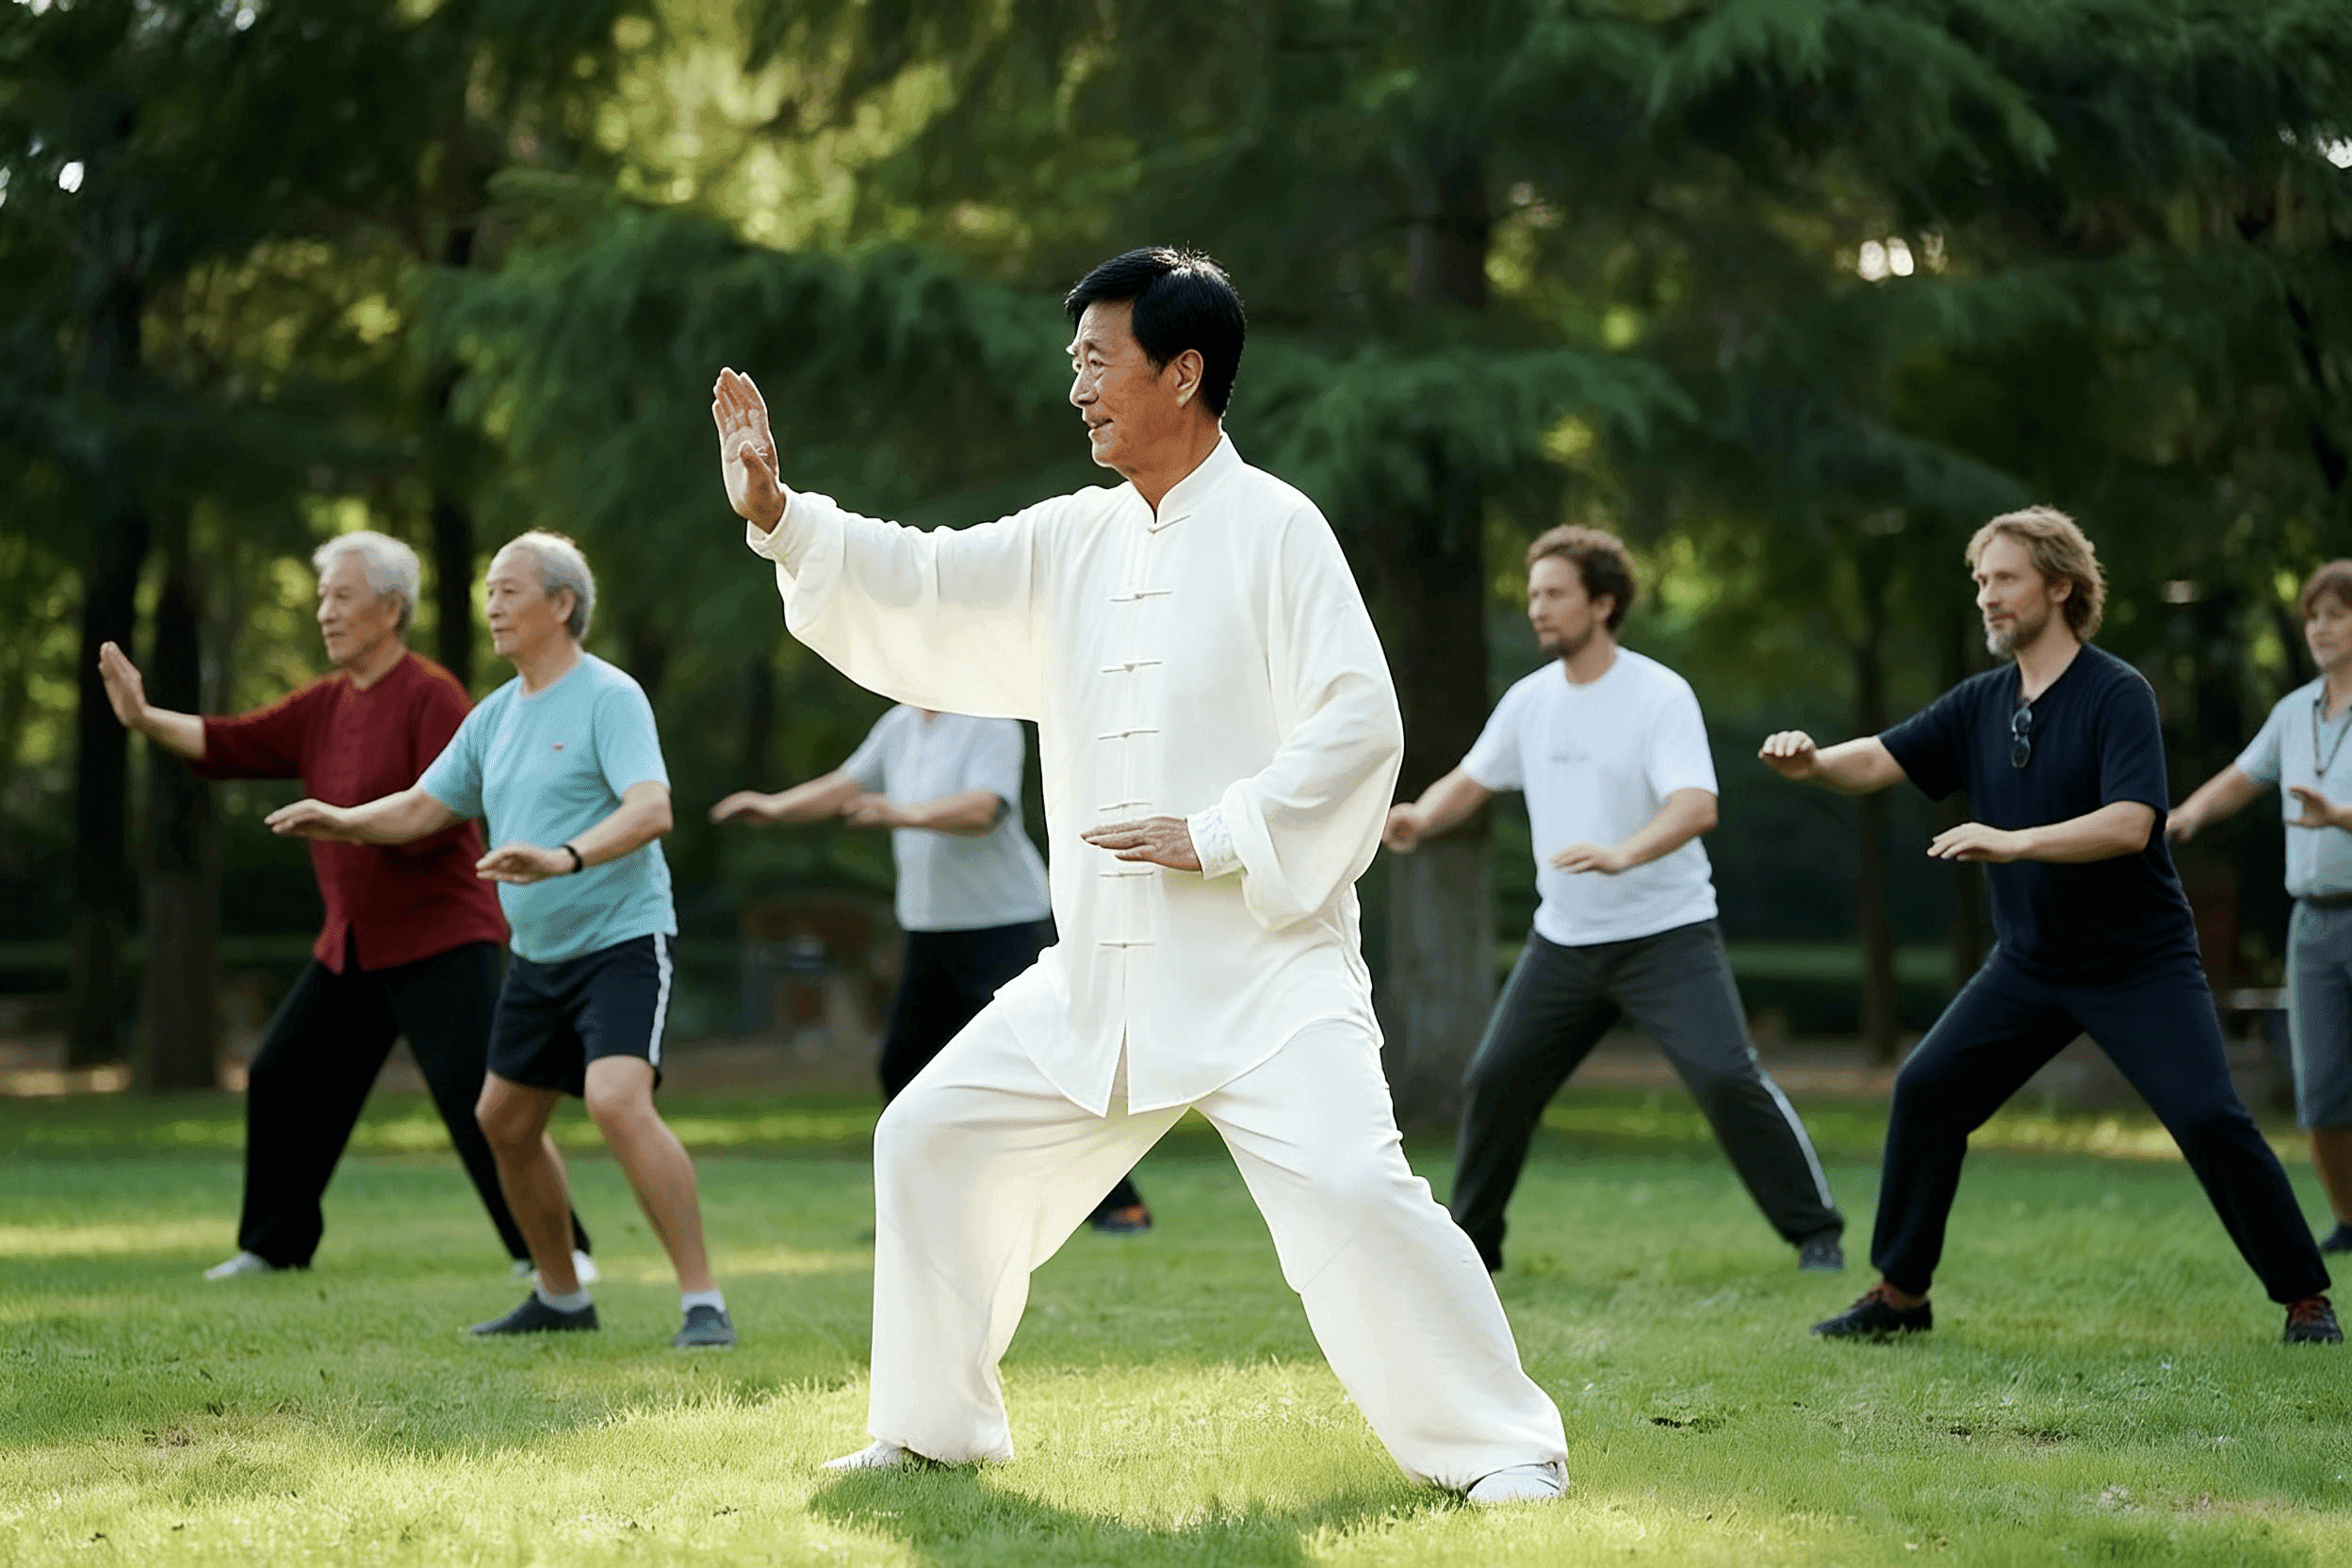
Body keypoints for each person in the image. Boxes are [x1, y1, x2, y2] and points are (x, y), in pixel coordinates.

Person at [711, 247, 1568, 1501]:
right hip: (1100, 982)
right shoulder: (1074, 539)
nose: (1079, 390)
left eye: (1096, 363)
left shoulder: (1279, 528)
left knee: (1351, 1187)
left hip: (1266, 974)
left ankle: (1503, 1451)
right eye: (1074, 366)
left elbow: (1359, 726)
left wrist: (1218, 830)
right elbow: (932, 580)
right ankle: (934, 1427)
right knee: (928, 1139)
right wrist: (783, 515)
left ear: (1184, 371)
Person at [1760, 507, 2339, 1345]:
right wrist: (1813, 764)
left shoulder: (2116, 693)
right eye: (1981, 582)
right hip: (2031, 965)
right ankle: (1900, 1296)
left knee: (2210, 1117)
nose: (1988, 597)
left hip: (2139, 962)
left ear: (2060, 586)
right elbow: (1881, 758)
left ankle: (2306, 1300)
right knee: (1928, 1092)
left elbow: (2133, 822)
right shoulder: (1981, 703)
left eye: (2004, 580)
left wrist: (2015, 840)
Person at [264, 531, 734, 1349]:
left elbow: (651, 808)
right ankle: (560, 1298)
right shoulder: (495, 717)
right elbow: (421, 805)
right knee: (504, 1123)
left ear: (562, 603)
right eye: (487, 590)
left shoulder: (608, 696)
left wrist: (564, 856)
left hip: (621, 942)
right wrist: (343, 821)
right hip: (538, 958)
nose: (491, 604)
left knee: (616, 1101)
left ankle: (703, 1302)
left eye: (510, 590)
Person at [94, 531, 593, 1285]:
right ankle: (274, 1244)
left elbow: (442, 809)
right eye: (322, 597)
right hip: (352, 946)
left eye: (341, 598)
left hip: (441, 938)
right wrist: (143, 719)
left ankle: (558, 1255)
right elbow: (232, 744)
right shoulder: (323, 705)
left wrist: (353, 821)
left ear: (390, 611)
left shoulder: (432, 695)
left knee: (479, 1098)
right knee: (281, 1075)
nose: (325, 613)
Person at [1384, 525, 1843, 1275]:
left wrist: (1622, 853)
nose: (1538, 609)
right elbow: (1473, 778)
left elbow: (1696, 806)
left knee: (1728, 1079)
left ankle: (1816, 1234)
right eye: (1533, 594)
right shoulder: (1530, 702)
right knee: (1496, 1081)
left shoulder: (1658, 695)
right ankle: (1475, 1251)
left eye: (1554, 594)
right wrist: (1419, 819)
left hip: (1667, 935)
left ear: (1602, 603)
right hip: (1563, 942)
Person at [710, 705, 1154, 1233]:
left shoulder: (990, 721)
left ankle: (1118, 1203)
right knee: (905, 1066)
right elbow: (845, 783)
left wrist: (901, 814)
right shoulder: (899, 725)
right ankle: (925, 1209)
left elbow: (985, 810)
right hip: (930, 931)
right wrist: (776, 808)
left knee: (1046, 1065)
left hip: (1004, 926)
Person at [2169, 559, 2352, 1257]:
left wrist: (2340, 815)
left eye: (2335, 614)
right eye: (2312, 616)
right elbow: (2241, 779)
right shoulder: (2293, 713)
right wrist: (2182, 817)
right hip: (2312, 922)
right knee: (2323, 1089)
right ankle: (2349, 1219)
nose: (2319, 628)